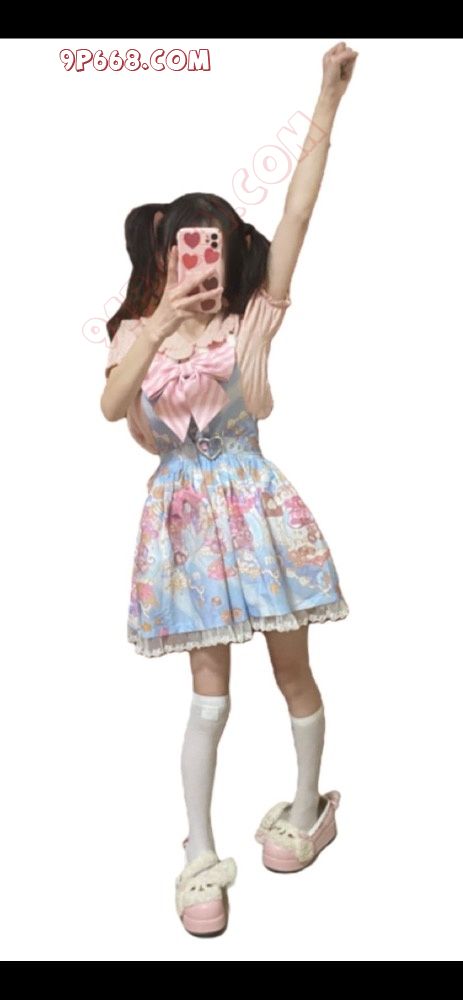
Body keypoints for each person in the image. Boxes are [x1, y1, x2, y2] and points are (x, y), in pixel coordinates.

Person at [101, 41, 358, 937]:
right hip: (183, 523)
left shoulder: (250, 321)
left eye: (214, 245)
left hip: (258, 510)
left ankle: (306, 809)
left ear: (230, 252)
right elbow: (110, 408)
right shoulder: (135, 333)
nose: (200, 262)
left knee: (292, 670)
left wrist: (325, 100)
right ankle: (199, 853)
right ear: (163, 254)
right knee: (208, 695)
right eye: (186, 247)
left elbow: (298, 212)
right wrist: (157, 325)